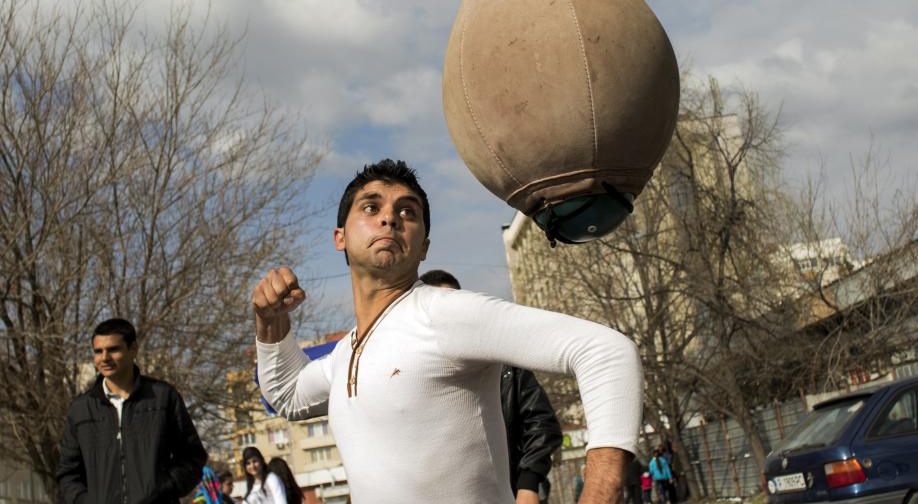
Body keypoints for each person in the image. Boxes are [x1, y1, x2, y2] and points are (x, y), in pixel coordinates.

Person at [253, 159, 643, 504]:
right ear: (339, 237)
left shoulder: (444, 314)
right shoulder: (345, 355)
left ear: (423, 246)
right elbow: (287, 393)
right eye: (371, 207)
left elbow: (606, 352)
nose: (390, 218)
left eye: (408, 212)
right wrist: (269, 321)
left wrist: (600, 490)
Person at [419, 269, 563, 504]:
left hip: (512, 494)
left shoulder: (505, 364)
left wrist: (528, 484)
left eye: (453, 303)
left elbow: (542, 426)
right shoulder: (413, 376)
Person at [57, 317, 207, 503]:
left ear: (133, 349)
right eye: (98, 351)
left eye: (113, 349)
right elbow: (68, 474)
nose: (104, 358)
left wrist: (163, 489)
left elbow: (192, 457)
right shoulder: (80, 410)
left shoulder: (163, 397)